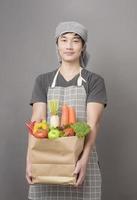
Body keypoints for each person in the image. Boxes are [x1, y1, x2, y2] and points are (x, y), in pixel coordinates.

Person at [26, 21, 107, 200]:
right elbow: (36, 121)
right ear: (57, 45)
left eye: (75, 41)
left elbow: (92, 124)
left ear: (83, 46)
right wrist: (30, 161)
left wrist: (83, 161)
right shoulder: (43, 81)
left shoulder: (94, 81)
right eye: (64, 40)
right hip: (47, 161)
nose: (69, 46)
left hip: (82, 160)